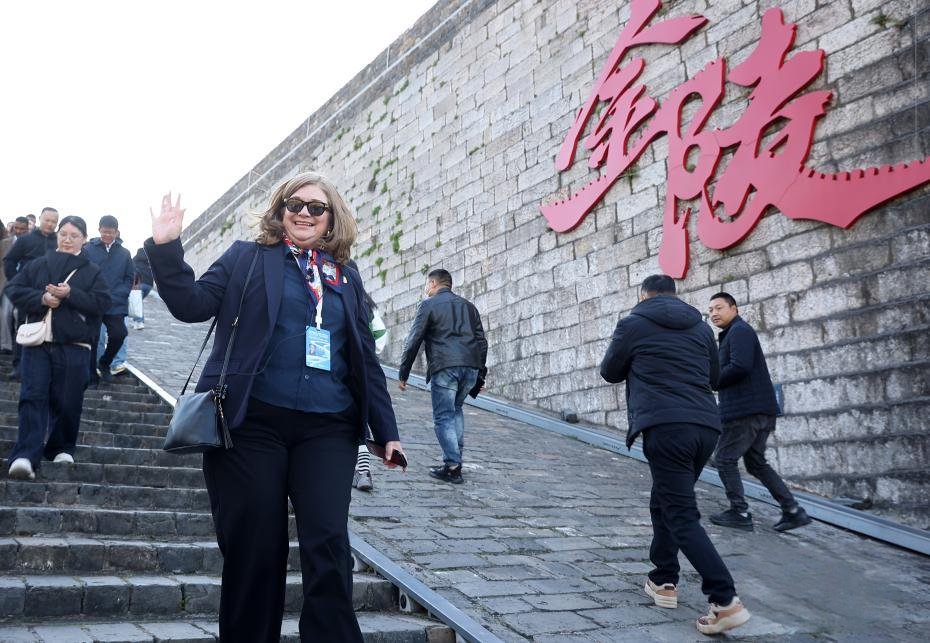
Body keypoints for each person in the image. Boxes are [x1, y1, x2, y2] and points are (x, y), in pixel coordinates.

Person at [145, 172, 405, 643]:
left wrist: (385, 429)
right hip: (251, 425)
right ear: (280, 209)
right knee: (255, 550)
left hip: (327, 429)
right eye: (295, 203)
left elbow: (364, 358)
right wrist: (166, 248)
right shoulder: (248, 257)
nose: (304, 212)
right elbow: (190, 303)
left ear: (331, 219)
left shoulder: (346, 276)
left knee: (328, 544)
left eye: (316, 207)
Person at [600, 274, 750, 636]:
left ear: (644, 294)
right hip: (705, 428)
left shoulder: (633, 323)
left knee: (681, 514)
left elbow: (609, 372)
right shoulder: (700, 329)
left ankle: (725, 600)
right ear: (674, 295)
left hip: (666, 426)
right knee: (665, 500)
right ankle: (663, 579)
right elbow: (714, 376)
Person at [5, 216, 110, 480]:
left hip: (74, 345)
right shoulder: (38, 264)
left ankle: (61, 447)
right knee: (32, 395)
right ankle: (25, 455)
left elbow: (101, 304)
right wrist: (41, 298)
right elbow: (13, 288)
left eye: (74, 235)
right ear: (57, 236)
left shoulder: (92, 271)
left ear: (84, 239)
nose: (67, 239)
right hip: (38, 342)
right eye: (63, 233)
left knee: (68, 400)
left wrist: (70, 294)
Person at [707, 292, 812, 532]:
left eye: (719, 308)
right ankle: (793, 510)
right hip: (759, 410)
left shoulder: (739, 331)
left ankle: (739, 512)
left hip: (745, 411)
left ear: (735, 308)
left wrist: (713, 381)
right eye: (710, 310)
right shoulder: (734, 333)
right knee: (755, 463)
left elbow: (740, 366)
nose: (713, 313)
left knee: (724, 459)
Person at [398, 268, 487, 484]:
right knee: (455, 410)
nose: (426, 289)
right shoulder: (469, 307)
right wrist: (480, 375)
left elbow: (414, 340)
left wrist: (403, 374)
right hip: (470, 367)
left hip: (445, 366)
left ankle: (453, 466)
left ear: (433, 283)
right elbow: (482, 342)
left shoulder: (428, 305)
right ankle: (455, 460)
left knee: (443, 416)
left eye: (427, 285)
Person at [3, 208, 59, 380]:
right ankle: (19, 366)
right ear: (40, 219)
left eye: (53, 221)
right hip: (28, 292)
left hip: (53, 293)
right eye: (47, 220)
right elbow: (9, 260)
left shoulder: (59, 241)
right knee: (22, 327)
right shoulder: (26, 240)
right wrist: (16, 282)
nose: (50, 224)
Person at [83, 215, 134, 383]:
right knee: (93, 338)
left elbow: (129, 277)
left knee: (119, 334)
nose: (107, 236)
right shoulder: (88, 249)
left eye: (110, 233)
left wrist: (122, 293)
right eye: (104, 232)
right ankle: (91, 374)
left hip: (115, 303)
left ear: (117, 232)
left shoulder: (125, 253)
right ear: (99, 230)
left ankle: (105, 363)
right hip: (93, 301)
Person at [129, 247, 154, 330]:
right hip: (149, 286)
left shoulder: (135, 260)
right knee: (137, 302)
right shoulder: (149, 262)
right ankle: (136, 321)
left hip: (139, 285)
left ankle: (139, 322)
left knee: (137, 302)